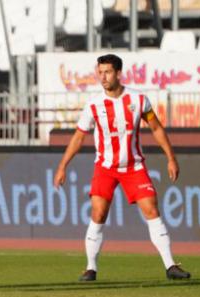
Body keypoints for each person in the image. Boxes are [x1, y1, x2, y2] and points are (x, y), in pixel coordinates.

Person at [53, 54, 191, 282]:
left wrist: (171, 158)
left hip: (133, 166)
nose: (102, 77)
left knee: (151, 210)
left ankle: (170, 265)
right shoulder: (94, 105)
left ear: (118, 73)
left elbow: (156, 128)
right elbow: (78, 137)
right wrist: (62, 166)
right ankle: (90, 268)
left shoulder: (139, 100)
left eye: (107, 72)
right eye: (100, 72)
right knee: (98, 213)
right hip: (105, 167)